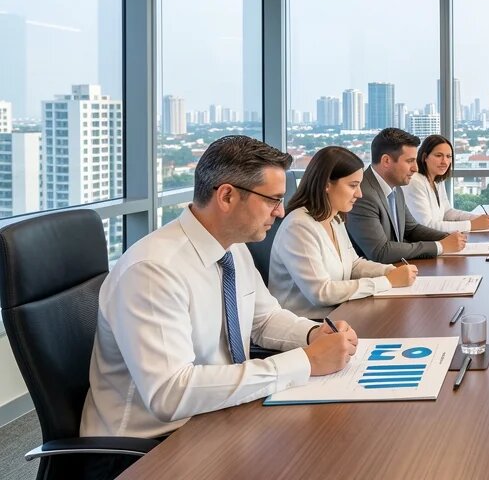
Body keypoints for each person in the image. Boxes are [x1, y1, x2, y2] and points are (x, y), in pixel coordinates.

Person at [81, 136, 358, 444]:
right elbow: (170, 393)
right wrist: (306, 361)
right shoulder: (153, 270)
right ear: (227, 196)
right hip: (149, 445)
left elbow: (264, 319)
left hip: (216, 415)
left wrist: (313, 335)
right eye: (272, 200)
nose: (280, 212)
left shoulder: (233, 248)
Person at [270, 146, 419, 319]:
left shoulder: (335, 218)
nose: (360, 194)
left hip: (338, 315)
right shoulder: (298, 226)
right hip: (309, 323)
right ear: (326, 184)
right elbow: (321, 293)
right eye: (353, 185)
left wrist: (390, 271)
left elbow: (353, 265)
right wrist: (387, 281)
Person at [346, 128, 467, 262]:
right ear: (386, 161)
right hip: (376, 272)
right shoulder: (363, 195)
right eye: (409, 161)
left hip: (399, 268)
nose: (415, 168)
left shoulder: (396, 188)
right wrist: (440, 246)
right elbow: (380, 252)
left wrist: (446, 238)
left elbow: (412, 229)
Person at [404, 134, 489, 232]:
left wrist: (476, 218)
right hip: (424, 240)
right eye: (439, 156)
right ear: (425, 157)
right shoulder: (415, 182)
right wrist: (471, 225)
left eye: (448, 156)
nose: (445, 162)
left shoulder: (437, 180)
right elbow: (427, 225)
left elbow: (447, 212)